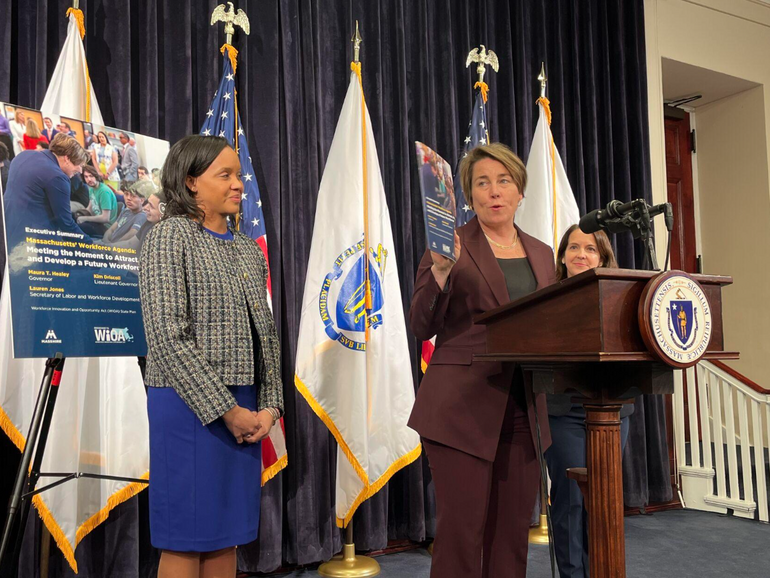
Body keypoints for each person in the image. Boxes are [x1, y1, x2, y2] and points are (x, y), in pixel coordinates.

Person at [409, 143, 556, 578]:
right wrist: (439, 273)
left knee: (511, 536)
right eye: (482, 183)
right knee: (461, 534)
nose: (494, 191)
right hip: (461, 412)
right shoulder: (451, 246)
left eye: (504, 181)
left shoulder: (543, 253)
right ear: (469, 196)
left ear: (519, 191)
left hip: (524, 409)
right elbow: (420, 324)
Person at [139, 135, 282, 578]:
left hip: (245, 406)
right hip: (187, 406)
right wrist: (226, 410)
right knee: (185, 540)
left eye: (239, 175)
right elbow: (166, 336)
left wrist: (271, 404)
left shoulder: (244, 248)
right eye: (226, 175)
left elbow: (266, 335)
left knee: (225, 536)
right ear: (191, 182)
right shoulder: (168, 237)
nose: (239, 184)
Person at [544, 223, 633, 578]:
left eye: (590, 249)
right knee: (569, 501)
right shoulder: (547, 301)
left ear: (603, 257)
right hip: (564, 413)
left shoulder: (624, 298)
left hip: (613, 412)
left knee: (603, 504)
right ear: (563, 257)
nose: (581, 254)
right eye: (574, 248)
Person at [2, 133, 92, 244]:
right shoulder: (57, 177)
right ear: (67, 158)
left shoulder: (23, 155)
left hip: (6, 225)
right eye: (79, 165)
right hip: (31, 240)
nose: (80, 171)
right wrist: (90, 244)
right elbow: (66, 224)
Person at [76, 165, 119, 237]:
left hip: (106, 227)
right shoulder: (91, 189)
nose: (89, 179)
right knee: (72, 218)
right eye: (86, 177)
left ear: (96, 176)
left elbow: (105, 218)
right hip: (97, 222)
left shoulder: (104, 191)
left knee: (78, 229)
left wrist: (85, 218)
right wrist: (79, 215)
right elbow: (89, 209)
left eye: (91, 176)